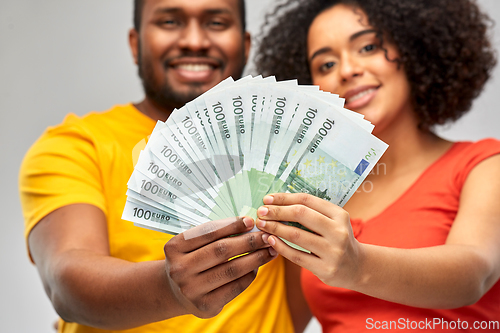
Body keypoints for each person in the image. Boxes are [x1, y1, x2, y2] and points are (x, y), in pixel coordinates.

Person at [19, 0, 296, 332]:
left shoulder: (281, 147)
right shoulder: (77, 145)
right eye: (169, 21)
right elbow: (65, 282)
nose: (194, 40)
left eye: (217, 23)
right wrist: (170, 288)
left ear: (246, 44)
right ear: (135, 44)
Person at [255, 0, 500, 332]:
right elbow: (283, 323)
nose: (346, 70)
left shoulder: (484, 166)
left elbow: (475, 274)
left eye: (368, 47)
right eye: (326, 64)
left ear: (414, 49)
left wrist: (357, 265)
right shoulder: (314, 197)